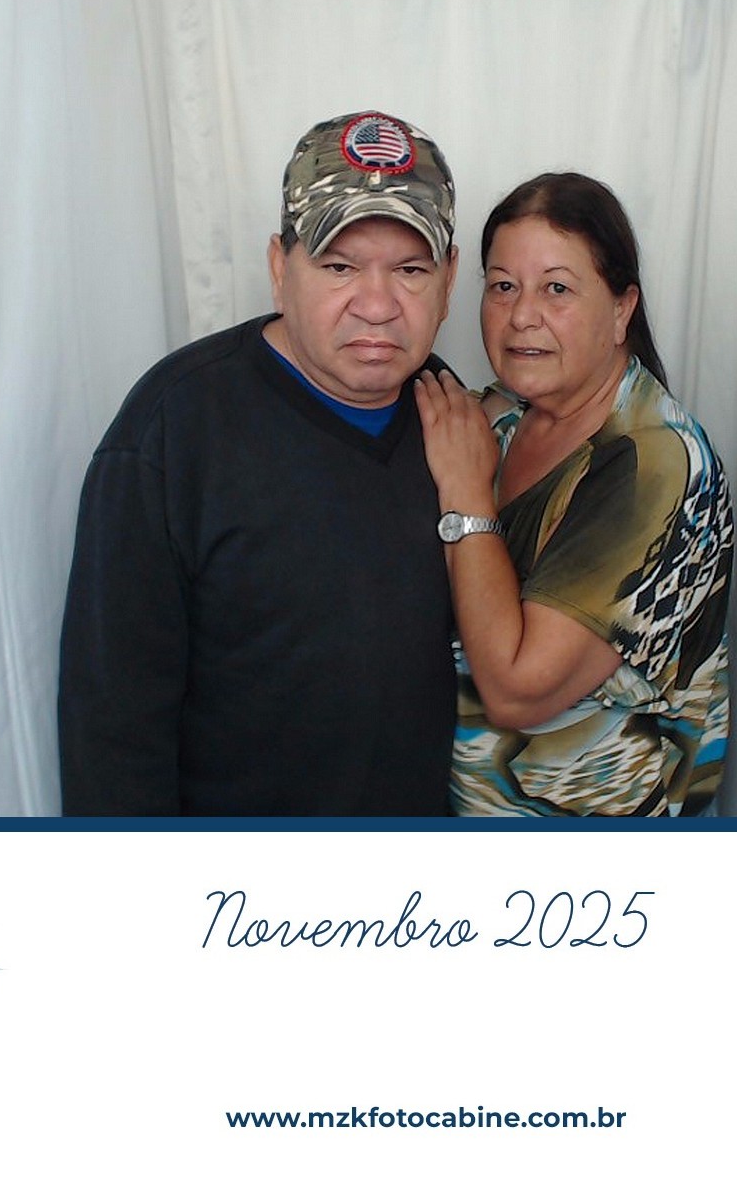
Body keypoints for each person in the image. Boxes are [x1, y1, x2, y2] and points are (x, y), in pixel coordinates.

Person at [58, 110, 460, 817]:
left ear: (449, 280)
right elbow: (112, 734)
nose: (377, 305)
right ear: (280, 268)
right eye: (338, 266)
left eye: (410, 270)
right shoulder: (173, 433)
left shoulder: (456, 418)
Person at [415, 173, 732, 817]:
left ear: (621, 309)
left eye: (556, 288)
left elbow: (518, 691)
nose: (521, 315)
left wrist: (467, 496)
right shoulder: (501, 418)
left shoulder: (654, 462)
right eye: (503, 286)